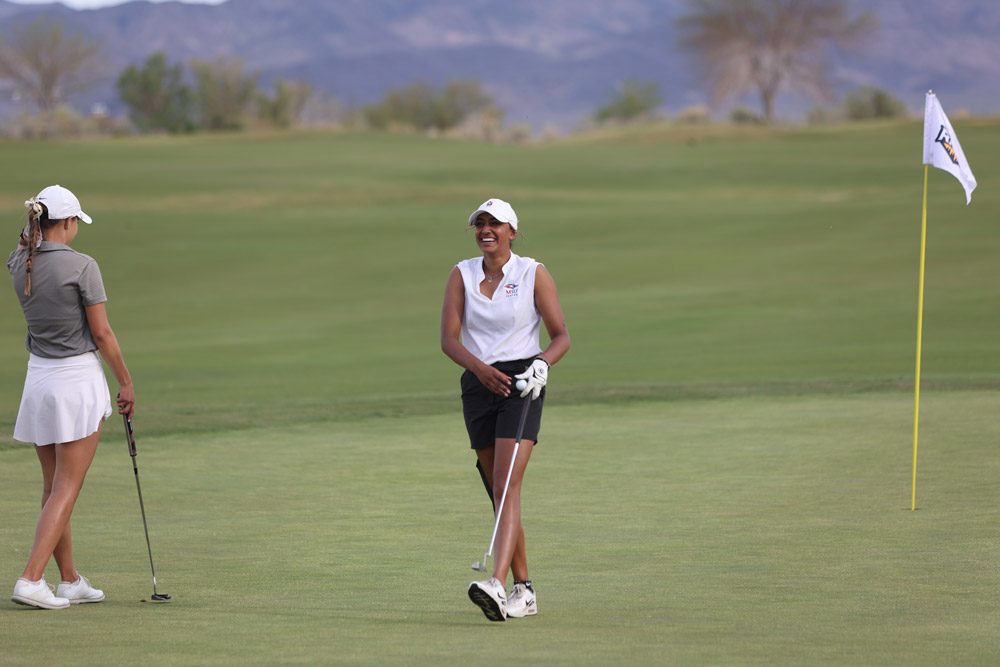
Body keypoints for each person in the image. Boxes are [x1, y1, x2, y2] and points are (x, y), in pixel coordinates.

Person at [440, 197, 570, 622]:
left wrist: (541, 365)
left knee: (506, 483)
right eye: (480, 223)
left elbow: (560, 336)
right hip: (477, 383)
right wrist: (478, 370)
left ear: (512, 231)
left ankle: (496, 584)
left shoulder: (533, 272)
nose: (486, 230)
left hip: (521, 383)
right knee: (498, 489)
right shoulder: (461, 273)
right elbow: (449, 341)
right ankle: (525, 589)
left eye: (495, 223)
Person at [7, 185, 134, 610]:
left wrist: (31, 234)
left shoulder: (18, 261)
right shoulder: (83, 266)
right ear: (67, 222)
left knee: (53, 488)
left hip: (39, 382)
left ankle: (69, 580)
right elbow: (102, 333)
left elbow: (24, 243)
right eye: (75, 220)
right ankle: (30, 579)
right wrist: (126, 382)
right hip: (75, 381)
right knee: (66, 487)